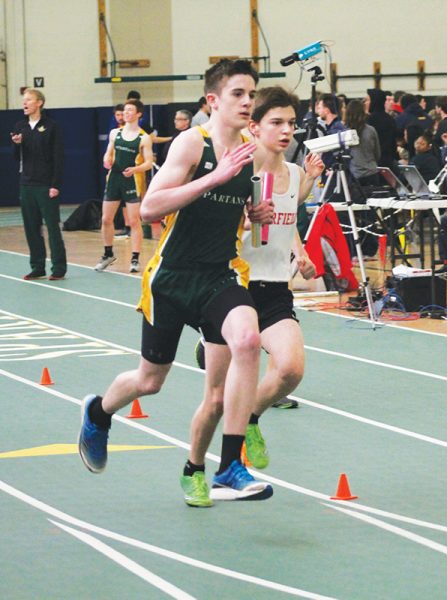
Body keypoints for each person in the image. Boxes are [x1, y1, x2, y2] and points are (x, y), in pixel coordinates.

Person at [77, 59, 275, 506]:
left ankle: (228, 465)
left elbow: (239, 215)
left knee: (247, 339)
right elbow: (150, 208)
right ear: (213, 101)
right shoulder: (192, 143)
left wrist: (252, 215)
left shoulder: (252, 151)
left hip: (219, 275)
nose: (247, 103)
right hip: (171, 278)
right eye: (238, 94)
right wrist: (214, 177)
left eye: (251, 95)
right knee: (150, 380)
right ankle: (99, 411)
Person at [190, 86, 324, 495]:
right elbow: (214, 226)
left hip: (276, 289)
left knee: (290, 370)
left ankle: (248, 417)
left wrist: (300, 253)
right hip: (237, 286)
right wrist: (245, 223)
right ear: (255, 126)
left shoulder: (298, 175)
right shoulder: (239, 174)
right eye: (276, 123)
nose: (286, 131)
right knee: (214, 399)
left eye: (291, 124)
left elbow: (288, 220)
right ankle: (196, 468)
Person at [11, 88, 67, 280]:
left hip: (46, 185)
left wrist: (55, 185)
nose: (24, 103)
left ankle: (59, 268)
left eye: (28, 100)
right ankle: (38, 267)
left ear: (39, 103)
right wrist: (17, 144)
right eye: (23, 100)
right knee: (31, 228)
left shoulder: (51, 126)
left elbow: (58, 157)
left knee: (52, 228)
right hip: (27, 184)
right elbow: (16, 157)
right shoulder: (20, 126)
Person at [96, 99, 155, 273]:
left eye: (130, 110)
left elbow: (149, 163)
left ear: (139, 114)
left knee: (134, 221)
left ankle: (135, 258)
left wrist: (135, 169)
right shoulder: (115, 133)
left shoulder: (144, 138)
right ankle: (108, 254)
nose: (126, 113)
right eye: (125, 110)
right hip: (114, 179)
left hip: (132, 181)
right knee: (106, 219)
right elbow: (107, 155)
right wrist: (106, 161)